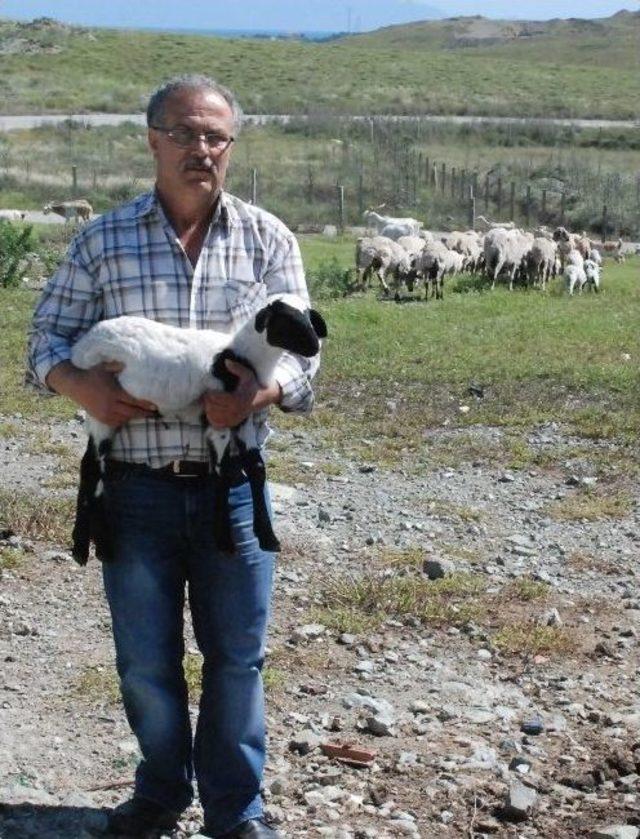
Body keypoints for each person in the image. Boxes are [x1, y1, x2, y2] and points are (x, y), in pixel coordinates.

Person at [28, 75, 321, 838]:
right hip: (136, 490)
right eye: (185, 133)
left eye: (216, 136)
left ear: (232, 145)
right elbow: (43, 341)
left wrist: (254, 397)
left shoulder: (269, 240)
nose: (202, 149)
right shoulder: (101, 241)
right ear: (152, 137)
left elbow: (304, 364)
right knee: (145, 663)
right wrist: (78, 384)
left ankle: (237, 809)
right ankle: (160, 791)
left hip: (231, 490)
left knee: (236, 660)